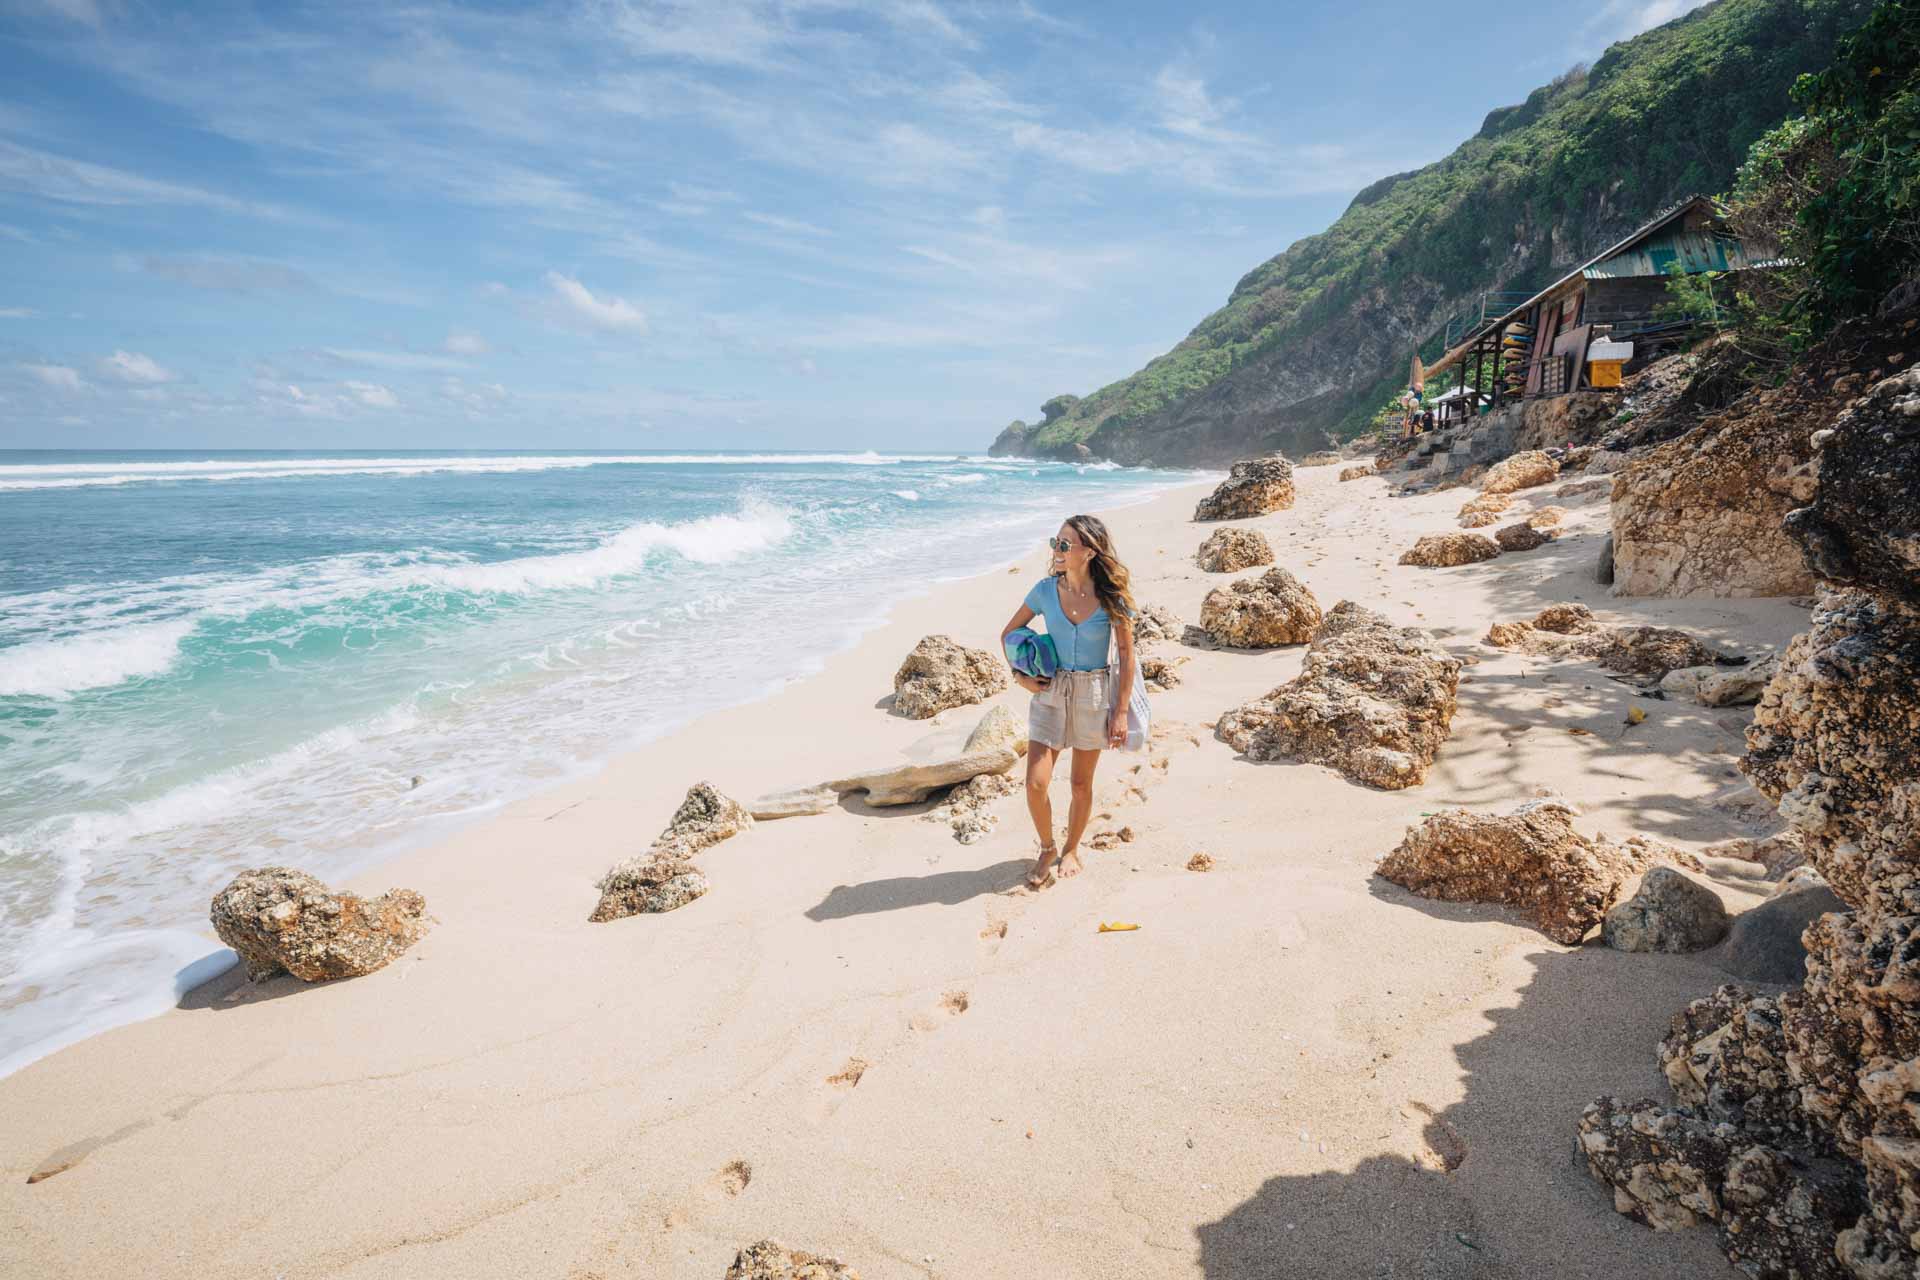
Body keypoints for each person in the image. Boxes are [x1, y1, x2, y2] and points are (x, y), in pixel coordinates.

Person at [998, 514, 1138, 888]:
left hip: (1094, 693)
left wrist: (1120, 712)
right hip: (1051, 692)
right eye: (1054, 543)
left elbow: (1126, 655)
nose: (1057, 551)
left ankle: (1072, 848)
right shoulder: (1044, 591)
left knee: (1080, 784)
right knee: (1035, 784)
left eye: (1065, 545)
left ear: (1089, 552)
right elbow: (1009, 634)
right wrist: (1022, 678)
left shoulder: (1113, 597)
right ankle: (1047, 847)